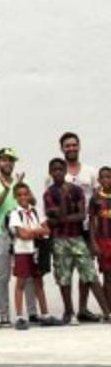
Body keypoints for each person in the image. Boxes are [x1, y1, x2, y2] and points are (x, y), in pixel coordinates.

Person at [43, 158, 111, 323]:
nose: (58, 172)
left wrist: (60, 218)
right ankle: (69, 312)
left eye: (60, 169)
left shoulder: (77, 190)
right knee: (64, 276)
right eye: (54, 170)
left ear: (65, 171)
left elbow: (81, 215)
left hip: (77, 237)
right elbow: (53, 215)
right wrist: (63, 201)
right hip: (59, 239)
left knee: (90, 273)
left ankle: (107, 312)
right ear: (50, 172)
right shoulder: (49, 193)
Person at [51, 132, 102, 323]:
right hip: (64, 230)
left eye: (74, 145)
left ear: (79, 146)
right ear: (62, 148)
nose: (71, 148)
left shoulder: (91, 172)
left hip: (87, 227)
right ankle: (69, 311)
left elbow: (98, 199)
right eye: (67, 145)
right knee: (65, 270)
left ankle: (83, 308)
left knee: (86, 269)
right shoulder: (56, 173)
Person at [0, 147, 38, 325]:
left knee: (27, 274)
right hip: (3, 235)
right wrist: (7, 190)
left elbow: (33, 202)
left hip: (23, 234)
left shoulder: (21, 182)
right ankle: (4, 314)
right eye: (4, 160)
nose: (8, 163)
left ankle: (32, 312)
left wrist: (21, 187)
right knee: (3, 276)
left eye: (11, 160)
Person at [7, 183, 59, 330]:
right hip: (22, 251)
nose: (23, 197)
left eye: (25, 194)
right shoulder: (15, 214)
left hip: (36, 250)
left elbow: (47, 229)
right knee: (21, 283)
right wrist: (37, 231)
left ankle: (45, 315)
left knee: (39, 282)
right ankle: (19, 317)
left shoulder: (36, 211)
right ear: (15, 197)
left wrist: (31, 231)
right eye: (19, 195)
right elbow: (22, 235)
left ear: (29, 195)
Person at [90, 167, 111, 313]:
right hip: (103, 241)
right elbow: (92, 222)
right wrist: (93, 242)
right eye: (102, 177)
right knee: (107, 276)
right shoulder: (96, 199)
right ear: (98, 180)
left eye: (108, 177)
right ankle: (108, 310)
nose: (105, 180)